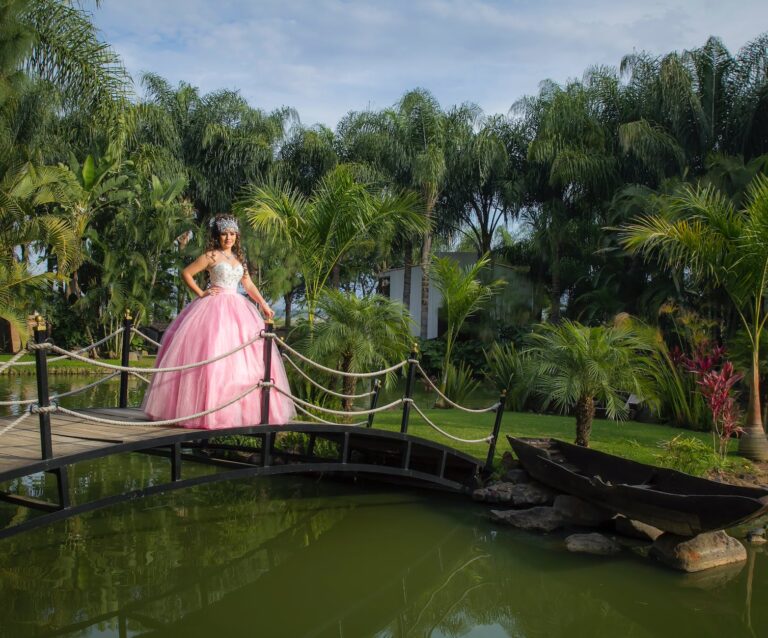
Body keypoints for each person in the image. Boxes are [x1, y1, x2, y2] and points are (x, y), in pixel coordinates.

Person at [142, 214, 296, 428]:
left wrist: (264, 304)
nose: (228, 238)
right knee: (212, 358)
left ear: (237, 236)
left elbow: (249, 286)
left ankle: (239, 412)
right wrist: (201, 293)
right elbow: (187, 273)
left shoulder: (239, 259)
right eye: (224, 234)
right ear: (218, 236)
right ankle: (205, 413)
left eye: (232, 234)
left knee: (243, 363)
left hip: (239, 309)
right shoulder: (211, 256)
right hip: (213, 308)